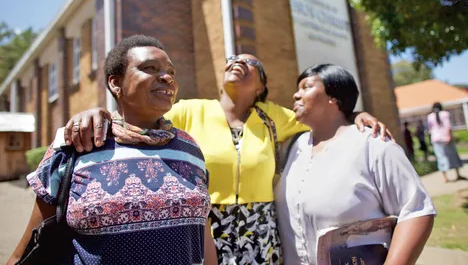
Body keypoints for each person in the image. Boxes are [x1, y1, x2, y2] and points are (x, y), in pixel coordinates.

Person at [62, 54, 392, 264]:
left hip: (260, 228)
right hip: (205, 225)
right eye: (232, 58)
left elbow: (322, 114)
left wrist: (358, 114)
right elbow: (137, 117)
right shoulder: (191, 109)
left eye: (249, 63)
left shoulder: (272, 116)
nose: (237, 62)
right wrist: (98, 113)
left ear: (261, 86)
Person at [8, 35, 217, 265]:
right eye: (150, 68)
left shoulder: (191, 149)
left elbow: (202, 233)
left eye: (171, 72)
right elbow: (27, 250)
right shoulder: (79, 144)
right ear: (116, 84)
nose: (167, 77)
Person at [275, 64, 435, 265]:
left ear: (333, 97)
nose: (296, 95)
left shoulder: (373, 144)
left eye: (306, 87)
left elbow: (416, 210)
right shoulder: (293, 147)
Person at [427, 102, 465, 183]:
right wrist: (449, 136)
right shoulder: (445, 114)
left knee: (440, 157)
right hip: (446, 138)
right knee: (453, 156)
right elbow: (448, 126)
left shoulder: (430, 116)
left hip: (436, 139)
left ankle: (445, 177)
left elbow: (430, 129)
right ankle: (457, 174)